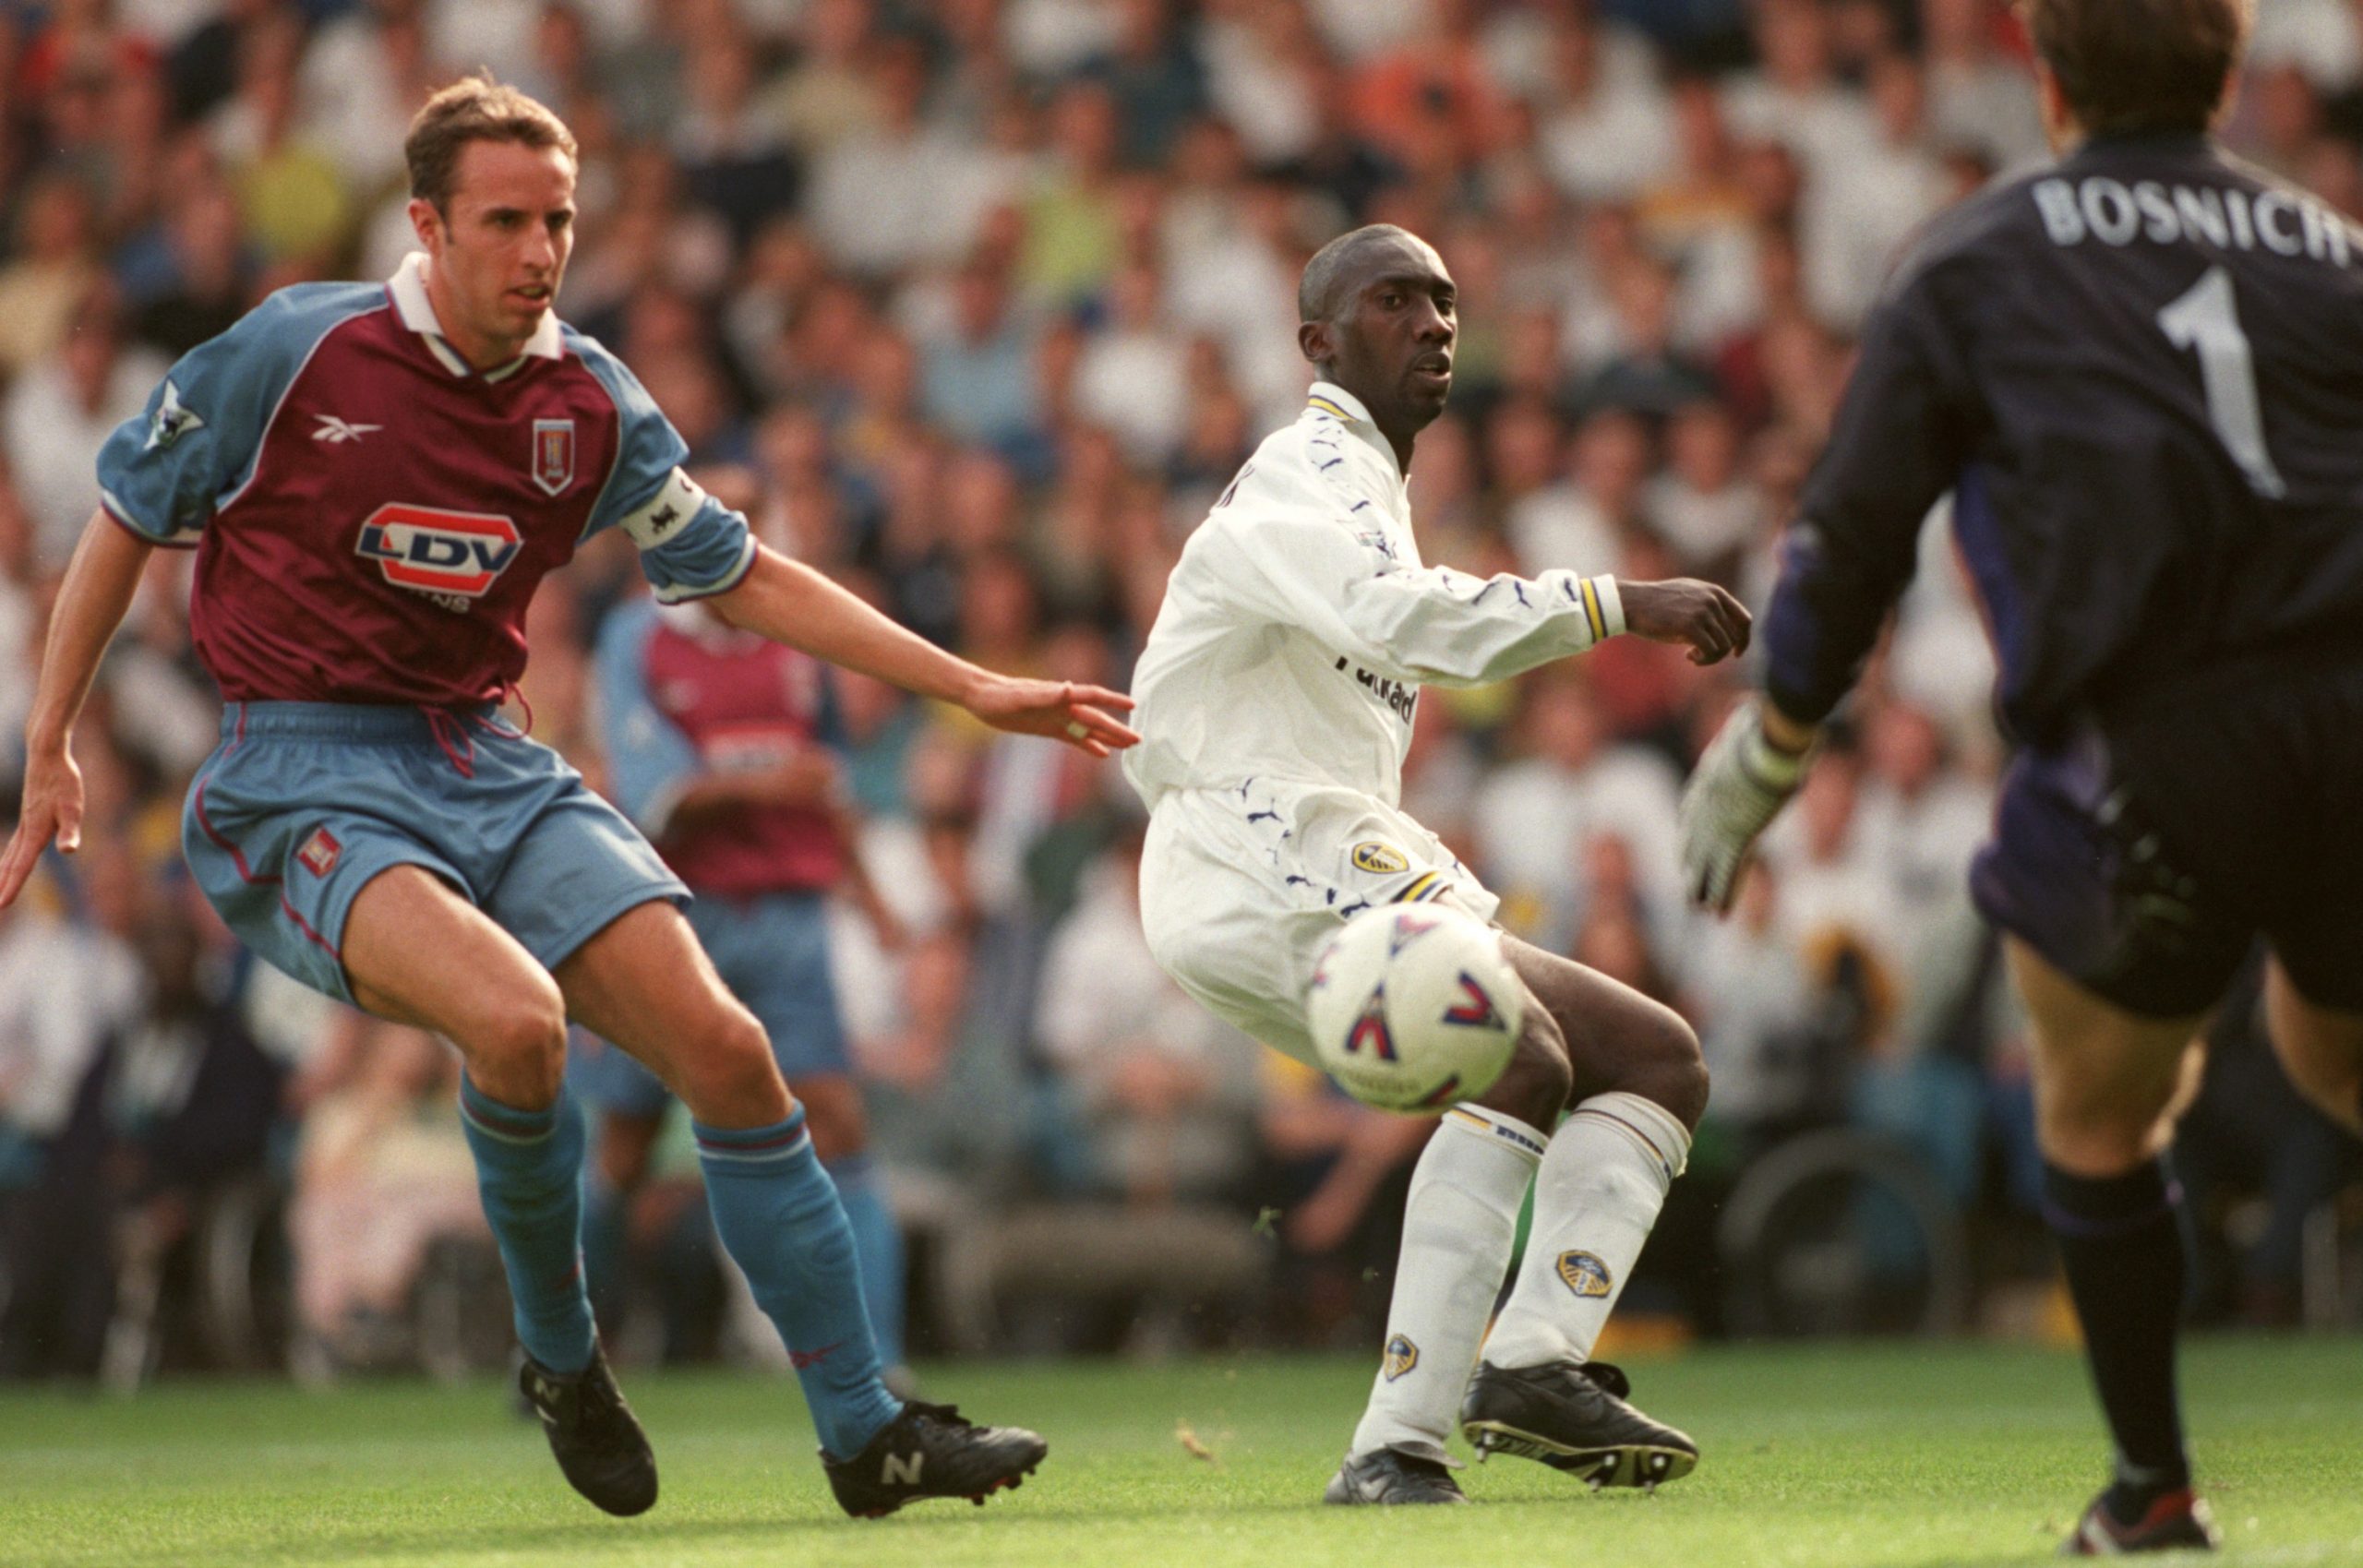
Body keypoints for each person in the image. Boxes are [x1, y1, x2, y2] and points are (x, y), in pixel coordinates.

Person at [0, 76, 1139, 1522]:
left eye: (560, 220)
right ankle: (562, 1355)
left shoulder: (586, 396)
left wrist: (972, 686)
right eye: (506, 221)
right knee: (518, 1022)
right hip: (298, 769)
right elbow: (121, 520)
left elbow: (743, 572)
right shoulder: (294, 349)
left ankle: (866, 1430)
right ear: (427, 224)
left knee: (729, 1053)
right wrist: (52, 740)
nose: (540, 252)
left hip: (484, 753)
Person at [1678, 0, 2363, 1552]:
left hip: (2154, 744)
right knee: (2337, 1059)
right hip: (2353, 718)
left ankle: (2155, 1489)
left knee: (2104, 1101)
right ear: (2231, 78)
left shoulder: (1974, 258)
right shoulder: (2333, 249)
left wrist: (1770, 745)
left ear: (2043, 82)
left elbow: (1853, 536)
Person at [1123, 222, 1752, 1505]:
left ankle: (1522, 1366)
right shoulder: (1306, 470)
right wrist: (1620, 599)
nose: (1432, 323)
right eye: (1395, 300)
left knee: (1654, 1057)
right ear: (1320, 341)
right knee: (1519, 1046)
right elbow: (1403, 620)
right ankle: (1402, 1438)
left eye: (1446, 301)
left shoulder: (1367, 488)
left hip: (1295, 845)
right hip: (1255, 839)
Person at [581, 586, 909, 1376]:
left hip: (789, 918)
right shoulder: (635, 637)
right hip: (675, 915)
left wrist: (866, 892)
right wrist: (768, 786)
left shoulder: (792, 627)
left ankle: (879, 1360)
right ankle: (567, 1352)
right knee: (625, 1145)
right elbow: (655, 791)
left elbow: (826, 774)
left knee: (837, 1121)